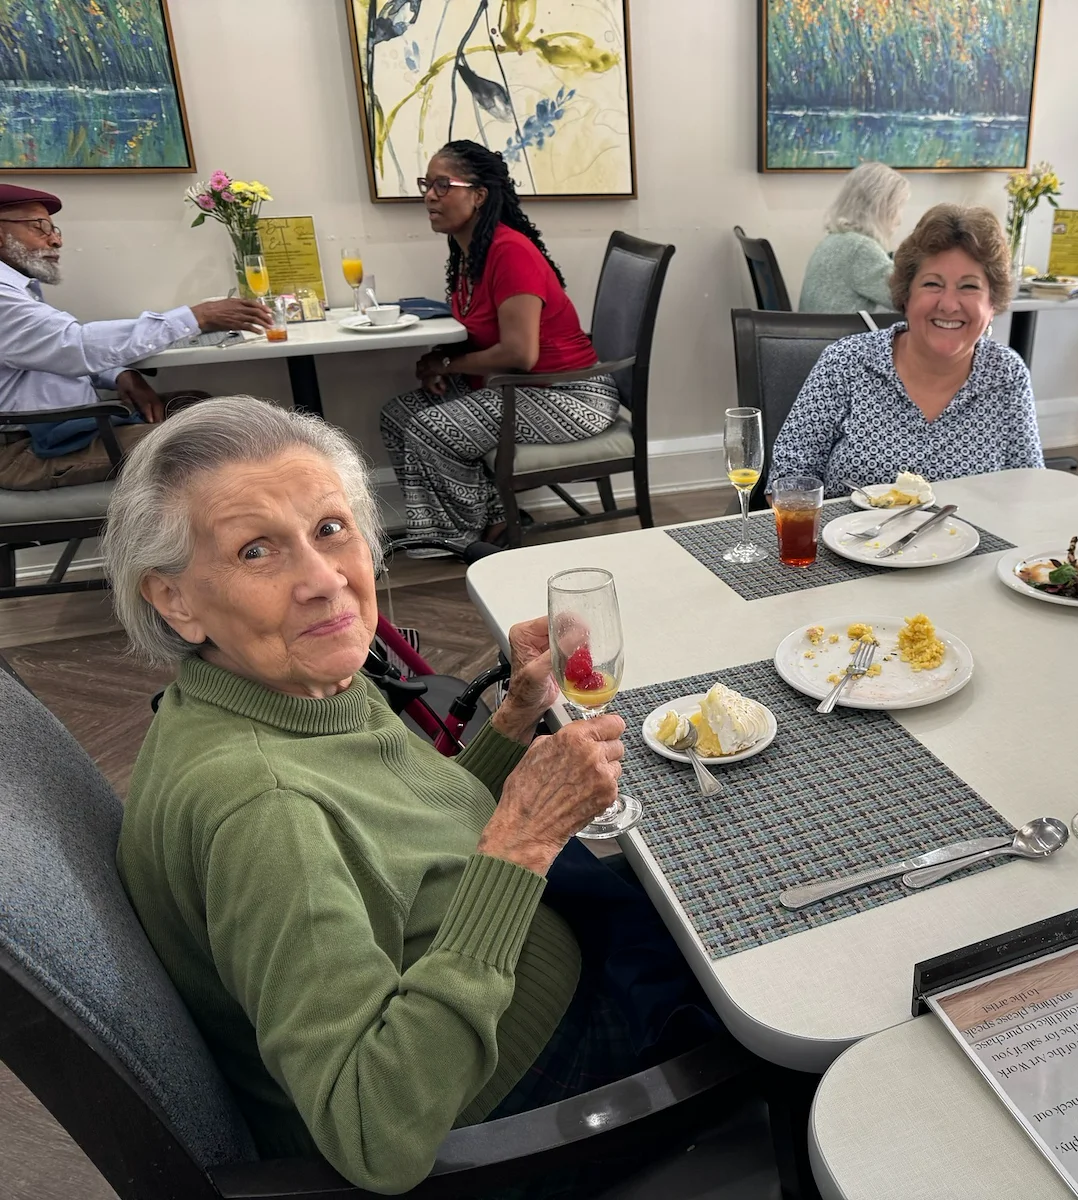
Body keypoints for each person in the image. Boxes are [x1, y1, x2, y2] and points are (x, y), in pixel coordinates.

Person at [105, 398, 714, 1195]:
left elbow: (402, 837)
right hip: (520, 1104)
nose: (324, 581)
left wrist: (513, 719)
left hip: (512, 978)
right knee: (762, 965)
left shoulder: (284, 685)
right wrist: (524, 841)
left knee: (698, 883)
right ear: (174, 600)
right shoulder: (266, 811)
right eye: (256, 551)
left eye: (330, 529)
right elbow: (375, 1131)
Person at [381, 140, 618, 551]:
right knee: (398, 415)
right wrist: (442, 361)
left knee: (429, 428)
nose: (429, 196)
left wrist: (447, 365)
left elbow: (520, 354)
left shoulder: (510, 253)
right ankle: (493, 522)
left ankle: (463, 539)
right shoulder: (469, 253)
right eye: (426, 184)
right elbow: (488, 336)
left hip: (570, 395)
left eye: (442, 185)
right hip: (520, 387)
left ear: (478, 195)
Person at [0, 183, 268, 490]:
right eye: (40, 227)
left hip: (65, 429)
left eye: (53, 229)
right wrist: (196, 317)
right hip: (25, 450)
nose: (56, 240)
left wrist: (119, 375)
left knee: (199, 405)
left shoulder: (18, 290)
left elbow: (48, 351)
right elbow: (74, 345)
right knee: (218, 437)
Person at [771, 203, 1044, 496]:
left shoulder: (1006, 375)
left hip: (974, 528)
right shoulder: (847, 362)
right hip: (844, 527)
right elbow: (789, 476)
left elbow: (1028, 489)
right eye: (932, 284)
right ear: (906, 296)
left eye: (969, 287)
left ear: (992, 304)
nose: (949, 305)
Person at [797, 161, 910, 313]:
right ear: (881, 208)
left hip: (816, 328)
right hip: (837, 329)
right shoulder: (860, 249)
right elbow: (906, 299)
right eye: (898, 208)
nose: (900, 219)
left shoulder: (833, 240)